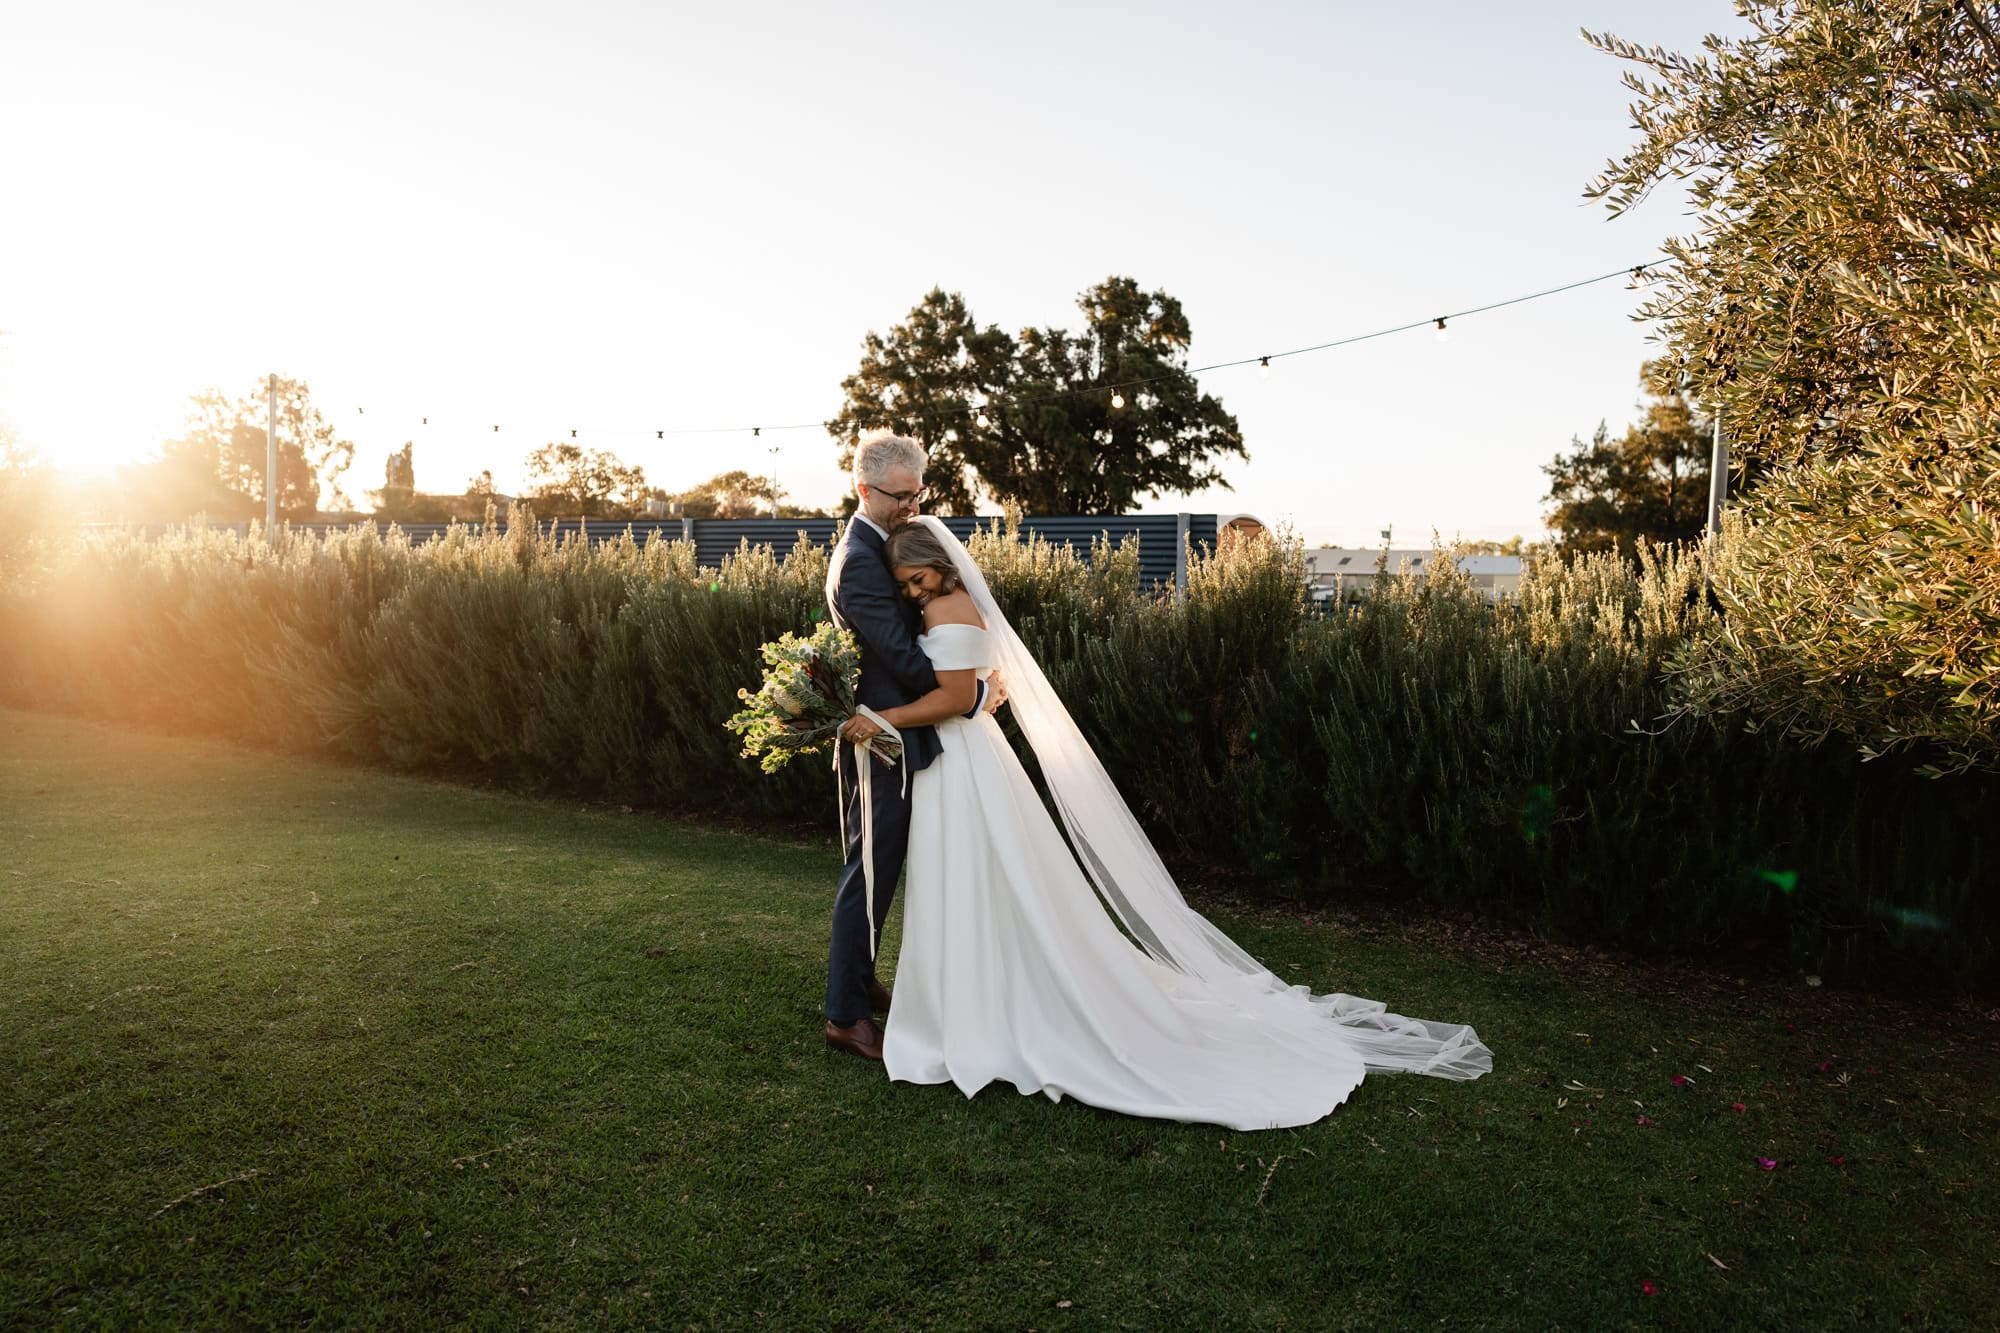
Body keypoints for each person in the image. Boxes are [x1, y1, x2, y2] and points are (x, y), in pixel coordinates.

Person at [839, 517, 1492, 1131]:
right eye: (906, 586)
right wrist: (965, 695)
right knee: (977, 882)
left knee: (982, 877)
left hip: (965, 766)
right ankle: (968, 999)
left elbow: (953, 695)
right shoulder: (945, 604)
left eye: (914, 580)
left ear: (936, 566)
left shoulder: (949, 607)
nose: (912, 591)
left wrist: (884, 718)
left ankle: (981, 1007)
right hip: (962, 765)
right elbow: (963, 687)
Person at [820, 435, 998, 1061]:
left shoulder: (876, 546)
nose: (910, 506)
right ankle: (844, 1016)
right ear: (864, 489)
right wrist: (966, 695)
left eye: (917, 493)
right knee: (867, 874)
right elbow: (898, 653)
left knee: (881, 868)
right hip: (883, 742)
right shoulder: (863, 559)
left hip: (894, 733)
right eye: (900, 495)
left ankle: (861, 982)